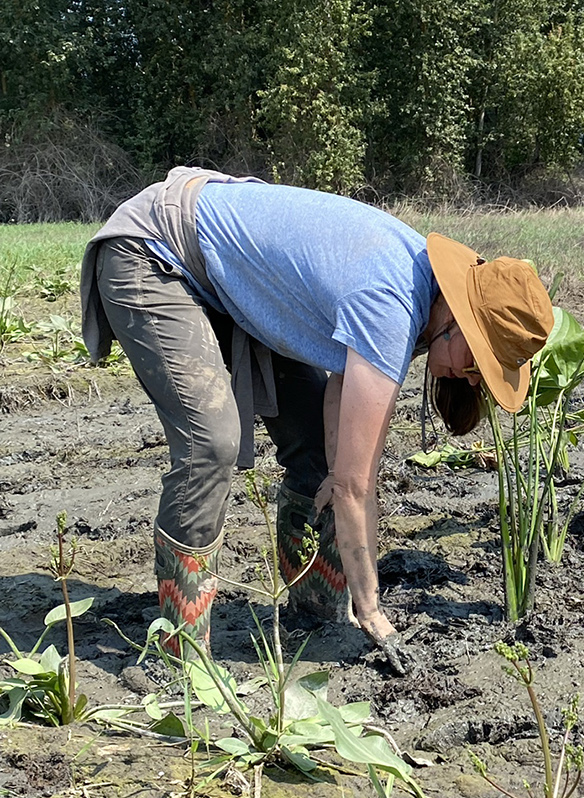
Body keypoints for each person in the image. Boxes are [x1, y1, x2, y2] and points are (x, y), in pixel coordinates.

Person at [80, 167, 554, 670]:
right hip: (155, 251)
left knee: (313, 451)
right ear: (457, 319)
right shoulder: (390, 304)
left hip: (230, 280)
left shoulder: (421, 298)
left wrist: (333, 471)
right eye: (478, 360)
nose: (474, 379)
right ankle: (177, 657)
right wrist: (373, 613)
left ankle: (314, 617)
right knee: (211, 441)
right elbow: (356, 485)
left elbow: (340, 397)